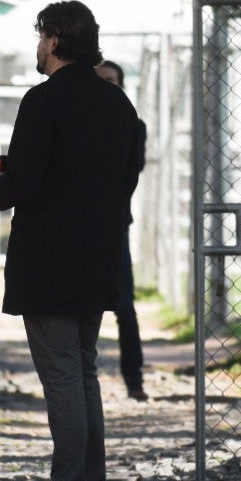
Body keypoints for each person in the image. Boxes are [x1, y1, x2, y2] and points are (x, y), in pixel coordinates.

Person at [0, 1, 140, 481]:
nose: (38, 47)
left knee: (63, 378)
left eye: (40, 37)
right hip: (98, 258)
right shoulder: (117, 104)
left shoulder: (44, 101)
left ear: (52, 39)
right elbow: (125, 179)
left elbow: (24, 182)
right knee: (84, 372)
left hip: (50, 261)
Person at [95, 60, 148, 402]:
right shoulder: (81, 125)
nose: (107, 87)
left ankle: (134, 378)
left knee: (124, 306)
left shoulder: (133, 127)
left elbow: (130, 173)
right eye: (101, 82)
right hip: (85, 227)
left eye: (112, 81)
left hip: (113, 226)